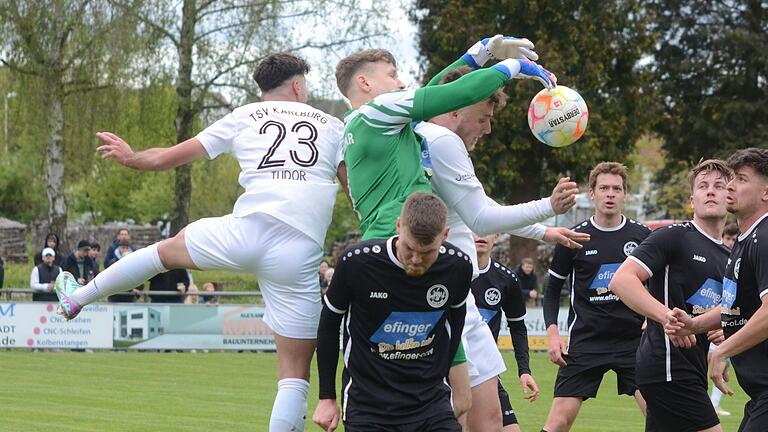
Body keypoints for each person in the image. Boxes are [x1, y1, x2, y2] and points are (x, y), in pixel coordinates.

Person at [54, 53, 345, 432]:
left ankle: (77, 298)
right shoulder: (335, 126)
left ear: (263, 91)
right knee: (293, 374)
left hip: (245, 232)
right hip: (299, 249)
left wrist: (132, 159)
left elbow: (169, 158)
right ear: (297, 85)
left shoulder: (244, 116)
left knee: (162, 252)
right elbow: (353, 187)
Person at [336, 41, 585, 431]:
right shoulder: (387, 114)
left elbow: (441, 89)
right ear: (365, 83)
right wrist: (515, 68)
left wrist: (481, 52)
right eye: (392, 75)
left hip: (419, 270)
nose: (402, 81)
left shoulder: (383, 124)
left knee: (476, 416)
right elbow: (454, 94)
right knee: (472, 417)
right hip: (422, 268)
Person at [413, 65, 587, 430]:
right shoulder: (442, 142)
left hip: (457, 298)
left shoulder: (429, 138)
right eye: (484, 117)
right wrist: (549, 207)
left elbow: (483, 207)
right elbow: (480, 218)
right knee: (465, 415)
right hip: (443, 299)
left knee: (484, 417)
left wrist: (545, 233)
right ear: (457, 107)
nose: (488, 128)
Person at [313, 192, 472, 432]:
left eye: (427, 252)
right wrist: (327, 396)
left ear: (445, 235)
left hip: (429, 403)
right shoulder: (357, 263)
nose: (416, 259)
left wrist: (440, 376)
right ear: (398, 226)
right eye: (409, 248)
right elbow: (328, 324)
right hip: (368, 405)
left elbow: (455, 324)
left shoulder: (457, 267)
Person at [609, 159, 733, 432]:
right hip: (667, 367)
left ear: (730, 197)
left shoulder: (729, 258)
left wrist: (725, 334)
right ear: (692, 200)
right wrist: (667, 317)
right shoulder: (673, 236)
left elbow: (726, 311)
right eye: (703, 186)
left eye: (719, 186)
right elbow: (621, 280)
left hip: (693, 368)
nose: (710, 191)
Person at [541, 162, 651, 432]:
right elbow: (552, 289)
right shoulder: (575, 237)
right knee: (558, 422)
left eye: (617, 188)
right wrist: (553, 334)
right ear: (592, 193)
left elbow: (659, 283)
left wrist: (653, 315)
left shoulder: (642, 236)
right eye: (604, 188)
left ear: (625, 195)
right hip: (586, 341)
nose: (610, 194)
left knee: (660, 415)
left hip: (633, 342)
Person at [666, 148, 768, 432]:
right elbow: (737, 306)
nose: (731, 185)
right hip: (760, 395)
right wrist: (694, 325)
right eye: (731, 178)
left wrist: (723, 349)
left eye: (742, 179)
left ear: (766, 193)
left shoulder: (765, 238)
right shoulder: (745, 242)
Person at [471, 233, 538, 432]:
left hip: (486, 370)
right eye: (474, 228)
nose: (480, 234)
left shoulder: (506, 279)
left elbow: (518, 327)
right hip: (449, 370)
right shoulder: (448, 270)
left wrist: (524, 370)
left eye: (486, 228)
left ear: (497, 235)